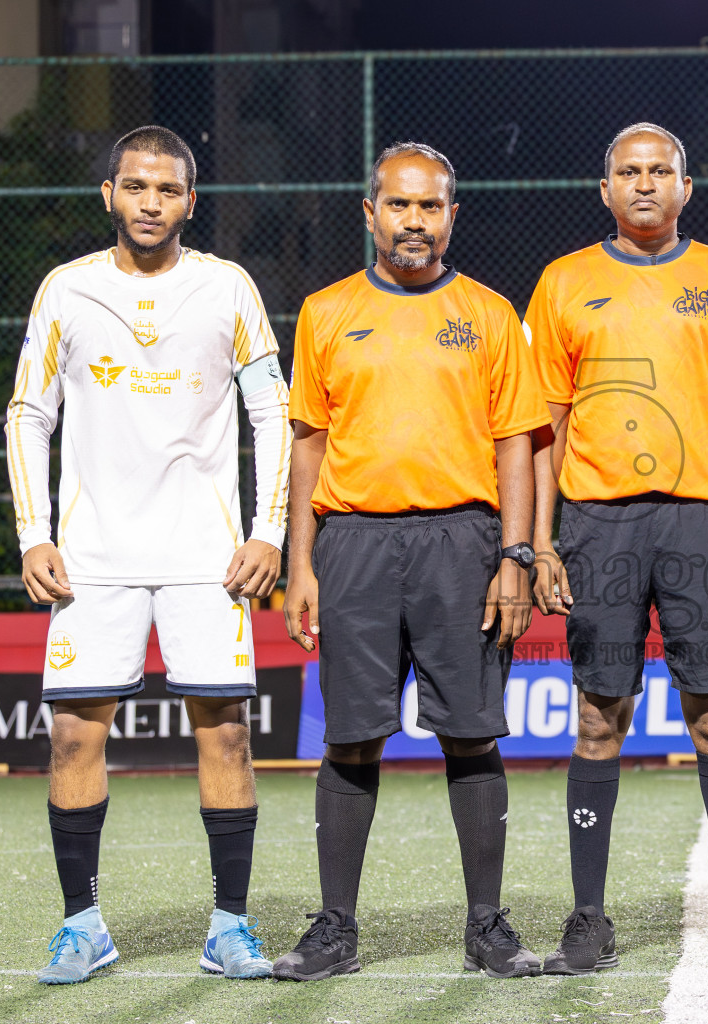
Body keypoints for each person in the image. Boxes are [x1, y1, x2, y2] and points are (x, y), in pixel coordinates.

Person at [6, 125, 291, 984]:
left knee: (228, 737)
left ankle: (230, 927)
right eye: (136, 187)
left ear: (189, 202)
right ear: (110, 195)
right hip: (91, 557)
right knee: (72, 740)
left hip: (208, 556)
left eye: (167, 191)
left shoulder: (226, 288)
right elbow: (29, 412)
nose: (150, 203)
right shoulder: (67, 291)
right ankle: (83, 926)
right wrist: (34, 530)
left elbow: (271, 413)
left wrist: (266, 529)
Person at [273, 141, 549, 982]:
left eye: (430, 207)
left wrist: (517, 558)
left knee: (470, 734)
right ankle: (335, 930)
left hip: (464, 543)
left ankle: (487, 929)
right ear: (371, 212)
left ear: (451, 215)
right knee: (353, 740)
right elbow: (308, 449)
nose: (414, 221)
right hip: (353, 543)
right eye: (399, 205)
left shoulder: (491, 314)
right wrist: (301, 563)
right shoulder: (325, 311)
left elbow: (517, 449)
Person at [526, 122, 708, 975]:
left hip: (705, 520)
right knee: (599, 716)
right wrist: (539, 541)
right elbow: (545, 425)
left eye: (659, 171)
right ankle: (587, 920)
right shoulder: (563, 281)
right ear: (605, 190)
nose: (643, 184)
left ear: (685, 186)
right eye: (627, 172)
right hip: (599, 524)